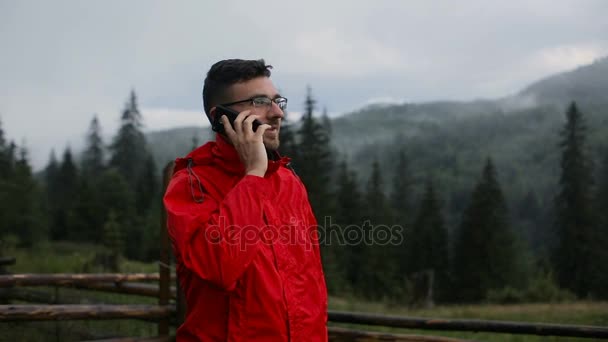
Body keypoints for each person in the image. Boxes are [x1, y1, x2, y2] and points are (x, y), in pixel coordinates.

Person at [163, 59, 328, 341]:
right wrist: (253, 174)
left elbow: (311, 286)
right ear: (221, 116)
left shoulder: (289, 182)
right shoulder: (191, 186)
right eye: (261, 101)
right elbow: (220, 267)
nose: (277, 113)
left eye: (278, 101)